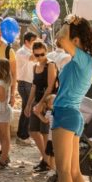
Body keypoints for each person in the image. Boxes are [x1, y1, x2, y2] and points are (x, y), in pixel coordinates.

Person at [47, 15, 92, 182]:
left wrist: (68, 23)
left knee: (64, 170)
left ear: (76, 40)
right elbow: (62, 41)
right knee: (74, 171)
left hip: (66, 115)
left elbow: (60, 38)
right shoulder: (84, 60)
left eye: (70, 37)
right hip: (72, 115)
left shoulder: (82, 58)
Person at [26, 40, 57, 173]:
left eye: (42, 54)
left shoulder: (50, 65)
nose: (40, 57)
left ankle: (48, 162)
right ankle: (45, 158)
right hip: (38, 100)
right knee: (33, 130)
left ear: (46, 52)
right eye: (37, 55)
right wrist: (28, 104)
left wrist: (40, 104)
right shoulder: (35, 67)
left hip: (48, 102)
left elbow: (50, 86)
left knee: (45, 133)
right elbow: (34, 86)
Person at [15, 33, 37, 143]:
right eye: (33, 41)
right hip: (24, 83)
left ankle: (22, 134)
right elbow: (33, 58)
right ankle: (23, 135)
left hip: (29, 83)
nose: (35, 43)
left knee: (26, 108)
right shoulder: (21, 52)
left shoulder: (29, 51)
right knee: (28, 108)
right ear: (27, 41)